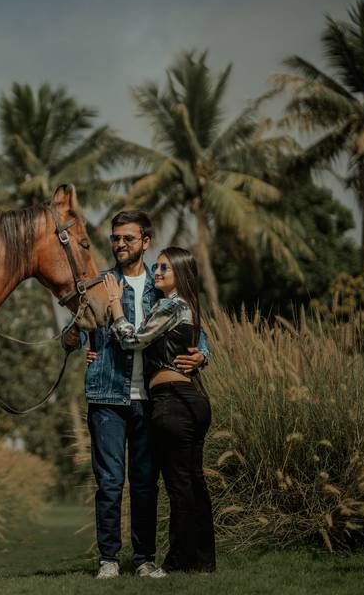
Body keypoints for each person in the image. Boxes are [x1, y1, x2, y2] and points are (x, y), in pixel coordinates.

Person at [61, 210, 209, 579]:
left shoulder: (162, 285)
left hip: (153, 400)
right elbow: (76, 333)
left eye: (128, 238)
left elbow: (193, 327)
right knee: (110, 482)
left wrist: (203, 354)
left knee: (145, 483)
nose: (120, 244)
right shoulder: (101, 283)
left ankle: (144, 559)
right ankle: (109, 559)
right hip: (107, 395)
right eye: (115, 238)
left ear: (145, 241)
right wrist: (78, 339)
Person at [105, 246, 216, 574]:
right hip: (192, 400)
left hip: (173, 401)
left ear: (181, 273)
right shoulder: (186, 306)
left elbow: (133, 340)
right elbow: (201, 338)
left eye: (166, 268)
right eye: (158, 267)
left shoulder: (170, 305)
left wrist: (115, 309)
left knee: (179, 484)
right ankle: (204, 561)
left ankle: (178, 562)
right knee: (194, 483)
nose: (158, 272)